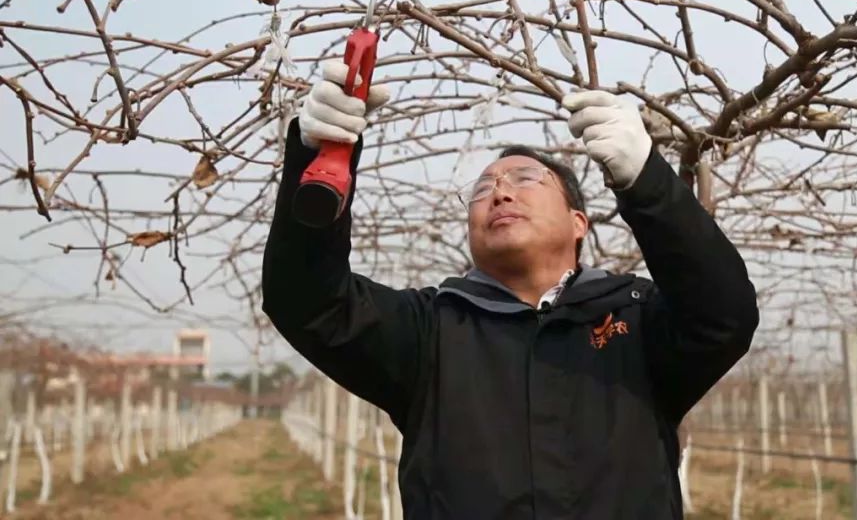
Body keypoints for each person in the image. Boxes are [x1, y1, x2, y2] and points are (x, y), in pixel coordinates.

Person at [261, 61, 759, 519]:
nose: (499, 192)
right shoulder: (430, 331)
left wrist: (647, 180)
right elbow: (307, 300)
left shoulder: (637, 320)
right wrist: (319, 154)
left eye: (525, 178)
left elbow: (724, 315)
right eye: (482, 190)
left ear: (578, 222)